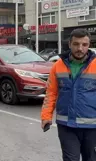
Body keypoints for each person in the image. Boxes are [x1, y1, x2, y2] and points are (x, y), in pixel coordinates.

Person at [41, 28, 96, 161]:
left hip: (92, 126)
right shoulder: (57, 66)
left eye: (84, 45)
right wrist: (46, 116)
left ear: (89, 45)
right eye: (76, 44)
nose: (80, 48)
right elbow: (51, 93)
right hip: (66, 125)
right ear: (69, 44)